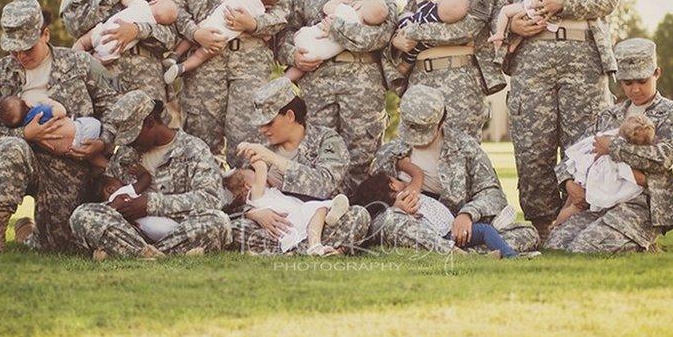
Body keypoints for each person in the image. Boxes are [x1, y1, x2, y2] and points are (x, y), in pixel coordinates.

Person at [491, 0, 621, 240]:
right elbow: (496, 13)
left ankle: (584, 221)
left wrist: (565, 2)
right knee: (534, 145)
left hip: (583, 61)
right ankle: (544, 226)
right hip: (533, 63)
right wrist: (514, 26)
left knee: (585, 144)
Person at [0, 0, 119, 254]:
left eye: (27, 48)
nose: (20, 56)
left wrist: (103, 141)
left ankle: (28, 232)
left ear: (45, 34)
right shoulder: (2, 73)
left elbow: (114, 108)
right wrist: (23, 133)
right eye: (14, 50)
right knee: (10, 148)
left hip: (71, 165)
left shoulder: (80, 64)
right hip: (24, 157)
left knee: (60, 246)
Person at [276, 0, 397, 192]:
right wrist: (294, 56)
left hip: (362, 83)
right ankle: (321, 215)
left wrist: (337, 29)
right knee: (317, 152)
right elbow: (285, 32)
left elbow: (382, 35)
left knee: (363, 154)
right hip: (317, 82)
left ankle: (361, 217)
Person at [164, 0, 289, 160]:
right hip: (204, 65)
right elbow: (173, 5)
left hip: (250, 64)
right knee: (199, 141)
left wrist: (254, 24)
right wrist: (195, 32)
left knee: (247, 141)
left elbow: (284, 8)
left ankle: (243, 199)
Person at [546, 38, 673, 253]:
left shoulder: (671, 114)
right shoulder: (610, 114)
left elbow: (666, 157)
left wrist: (614, 148)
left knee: (585, 248)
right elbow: (577, 152)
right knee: (556, 245)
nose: (634, 89)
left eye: (642, 81)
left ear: (657, 73)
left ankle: (644, 243)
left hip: (642, 204)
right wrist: (568, 183)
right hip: (599, 200)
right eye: (627, 82)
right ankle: (630, 241)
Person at [367, 85, 540, 255]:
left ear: (441, 121)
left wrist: (468, 214)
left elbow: (492, 193)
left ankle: (457, 252)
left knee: (527, 234)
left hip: (459, 228)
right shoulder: (390, 154)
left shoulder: (465, 148)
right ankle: (459, 252)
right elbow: (371, 201)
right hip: (414, 226)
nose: (417, 138)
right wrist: (395, 207)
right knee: (388, 221)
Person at [70, 91, 232, 260]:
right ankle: (156, 253)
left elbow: (211, 199)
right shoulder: (127, 154)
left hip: (180, 229)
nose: (129, 143)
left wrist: (151, 204)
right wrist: (116, 205)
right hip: (134, 231)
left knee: (218, 222)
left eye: (133, 136)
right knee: (82, 214)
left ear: (149, 123)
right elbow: (112, 189)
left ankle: (135, 253)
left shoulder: (193, 149)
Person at [228, 77, 371, 254]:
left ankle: (300, 249)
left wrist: (274, 159)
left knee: (358, 216)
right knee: (236, 227)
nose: (263, 130)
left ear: (290, 116)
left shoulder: (327, 140)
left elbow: (324, 185)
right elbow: (238, 194)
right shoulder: (261, 147)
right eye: (260, 125)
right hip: (278, 227)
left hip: (321, 220)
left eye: (269, 123)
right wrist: (252, 213)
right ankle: (318, 250)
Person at [389, 0, 503, 139]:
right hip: (420, 79)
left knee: (460, 151)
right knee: (418, 150)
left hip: (460, 81)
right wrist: (396, 40)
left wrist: (415, 32)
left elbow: (465, 30)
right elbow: (400, 23)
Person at [352, 171, 536, 259]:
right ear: (391, 185)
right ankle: (509, 256)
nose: (400, 180)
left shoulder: (405, 197)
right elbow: (417, 176)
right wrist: (405, 163)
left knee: (518, 231)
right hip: (444, 233)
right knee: (487, 231)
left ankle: (493, 253)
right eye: (395, 179)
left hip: (447, 230)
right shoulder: (404, 198)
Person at [163, 0, 284, 81]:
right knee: (200, 56)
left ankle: (175, 56)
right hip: (220, 37)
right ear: (269, 5)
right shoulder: (260, 11)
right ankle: (181, 68)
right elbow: (267, 29)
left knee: (191, 36)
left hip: (210, 23)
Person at [224, 160, 351, 255]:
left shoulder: (266, 192)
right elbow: (261, 167)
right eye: (252, 174)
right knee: (318, 209)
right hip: (291, 220)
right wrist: (257, 158)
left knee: (318, 210)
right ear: (248, 186)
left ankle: (329, 215)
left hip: (296, 215)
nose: (258, 175)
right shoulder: (256, 195)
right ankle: (315, 245)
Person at [552, 114, 655, 227]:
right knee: (575, 207)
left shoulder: (607, 137)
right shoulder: (619, 151)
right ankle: (556, 226)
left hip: (584, 172)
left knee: (570, 204)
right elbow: (628, 173)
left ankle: (556, 224)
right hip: (594, 178)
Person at [490, 0, 599, 54]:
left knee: (505, 11)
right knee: (527, 28)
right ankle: (514, 45)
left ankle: (499, 33)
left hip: (532, 6)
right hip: (548, 20)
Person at [284, 0, 390, 81]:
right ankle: (287, 79)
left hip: (309, 38)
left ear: (359, 5)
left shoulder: (347, 11)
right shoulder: (360, 30)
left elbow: (327, 8)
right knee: (307, 62)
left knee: (304, 44)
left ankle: (283, 81)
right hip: (322, 54)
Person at [0, 95, 107, 169]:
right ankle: (108, 167)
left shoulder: (28, 128)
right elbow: (61, 112)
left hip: (69, 151)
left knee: (91, 156)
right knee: (95, 123)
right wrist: (51, 102)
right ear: (26, 102)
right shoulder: (38, 112)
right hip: (81, 131)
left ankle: (103, 167)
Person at [72, 0, 179, 64]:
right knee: (96, 62)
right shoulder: (153, 24)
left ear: (154, 2)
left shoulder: (141, 4)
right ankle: (89, 62)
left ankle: (72, 60)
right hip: (113, 48)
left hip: (103, 30)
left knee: (83, 42)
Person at [394, 0, 470, 76]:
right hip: (420, 46)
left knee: (406, 15)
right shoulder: (443, 28)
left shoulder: (430, 8)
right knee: (411, 57)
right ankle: (404, 67)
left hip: (406, 26)